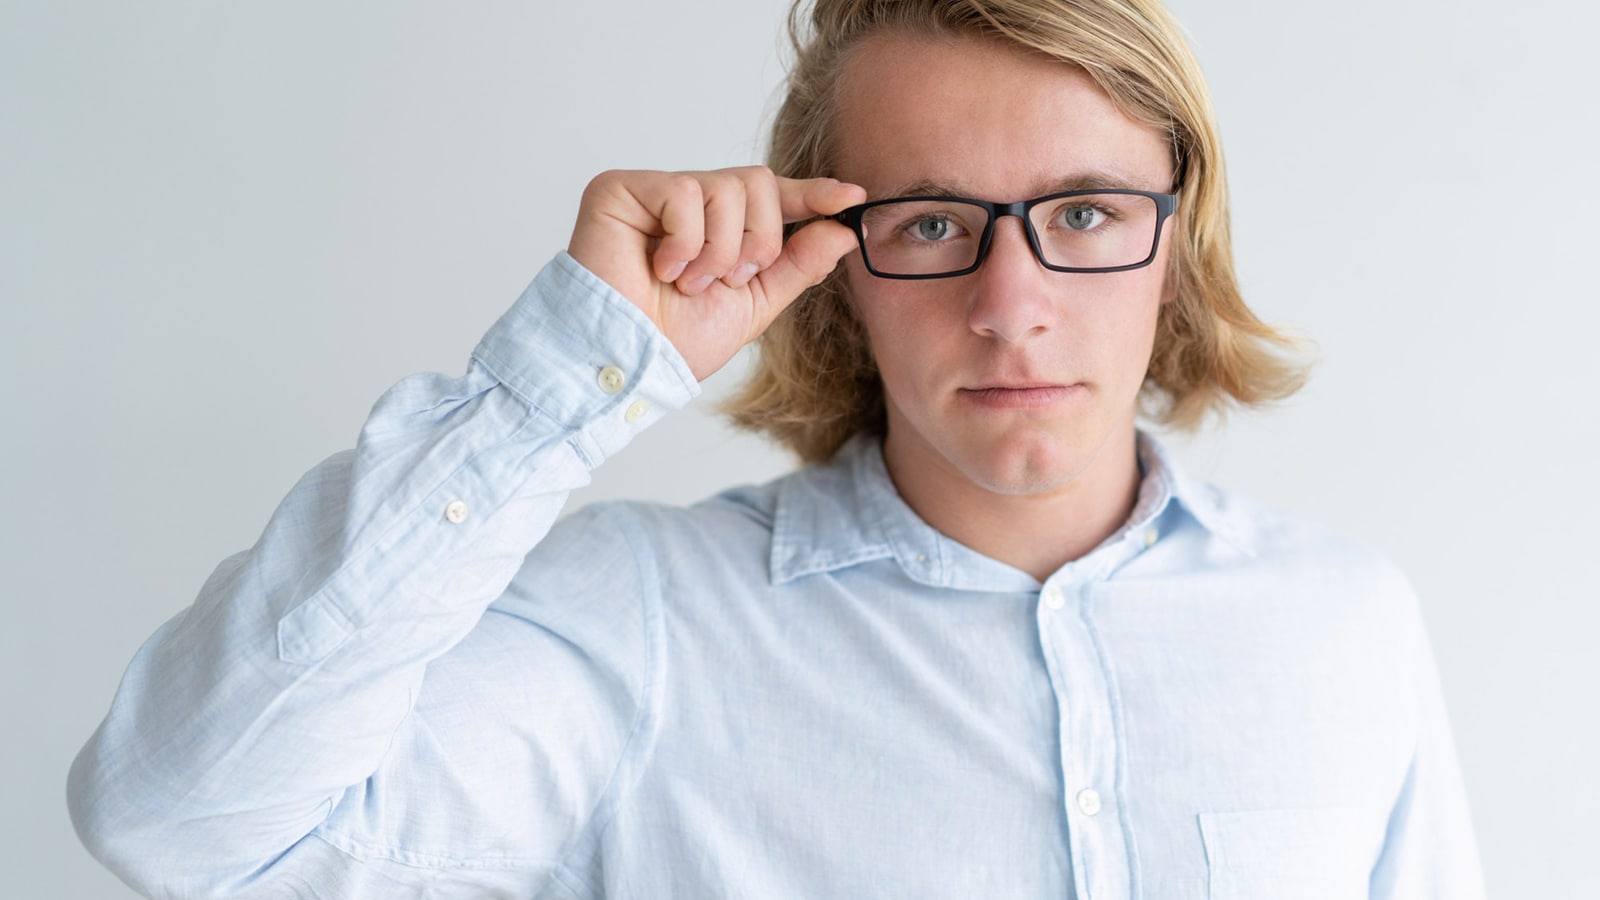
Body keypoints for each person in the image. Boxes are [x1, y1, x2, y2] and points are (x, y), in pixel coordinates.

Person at [68, 0, 1485, 897]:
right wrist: (568, 375)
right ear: (836, 265)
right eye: (931, 222)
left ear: (1178, 241)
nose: (1013, 309)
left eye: (1088, 214)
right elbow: (184, 827)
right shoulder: (644, 625)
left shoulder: (1340, 623)